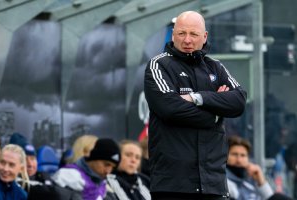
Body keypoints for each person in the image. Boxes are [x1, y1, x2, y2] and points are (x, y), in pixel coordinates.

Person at [144, 11, 247, 200]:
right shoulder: (159, 65)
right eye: (182, 33)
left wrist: (198, 98)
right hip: (173, 185)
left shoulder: (216, 67)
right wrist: (215, 114)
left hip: (212, 184)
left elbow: (239, 101)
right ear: (173, 34)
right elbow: (170, 108)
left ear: (205, 36)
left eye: (194, 34)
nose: (187, 40)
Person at [226, 135, 293, 200]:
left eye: (243, 155)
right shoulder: (223, 182)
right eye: (234, 154)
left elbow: (270, 197)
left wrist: (261, 182)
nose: (239, 160)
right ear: (225, 156)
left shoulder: (251, 181)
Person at [52, 138, 120, 200]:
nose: (108, 171)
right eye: (106, 164)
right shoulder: (69, 175)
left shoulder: (101, 182)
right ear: (94, 158)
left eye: (112, 167)